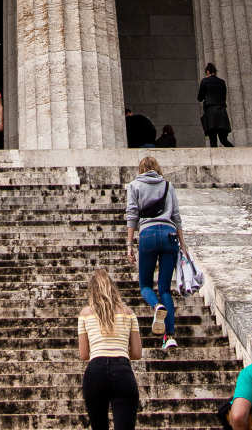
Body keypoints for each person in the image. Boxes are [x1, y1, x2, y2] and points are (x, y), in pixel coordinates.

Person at [125, 156, 181, 349]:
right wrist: (183, 244)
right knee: (165, 288)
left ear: (140, 169)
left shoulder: (134, 186)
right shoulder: (168, 185)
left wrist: (129, 244)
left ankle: (157, 306)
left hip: (147, 234)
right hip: (169, 235)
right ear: (157, 168)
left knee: (145, 286)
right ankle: (169, 336)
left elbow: (132, 214)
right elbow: (176, 216)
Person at [78, 267, 143, 430]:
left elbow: (84, 354)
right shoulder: (128, 312)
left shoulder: (85, 314)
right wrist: (118, 351)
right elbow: (137, 353)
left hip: (95, 372)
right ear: (113, 288)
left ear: (92, 290)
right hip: (122, 370)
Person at [198, 62, 234, 148]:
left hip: (211, 113)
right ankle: (236, 153)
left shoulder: (205, 81)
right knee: (224, 140)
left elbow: (200, 98)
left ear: (207, 72)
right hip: (222, 112)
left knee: (213, 140)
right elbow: (224, 97)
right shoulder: (222, 82)